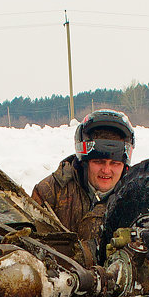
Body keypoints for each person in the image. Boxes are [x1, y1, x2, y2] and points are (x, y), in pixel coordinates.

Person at [32, 108, 134, 261]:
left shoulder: (135, 197)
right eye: (98, 162)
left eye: (115, 163)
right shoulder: (49, 191)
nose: (106, 170)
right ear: (84, 163)